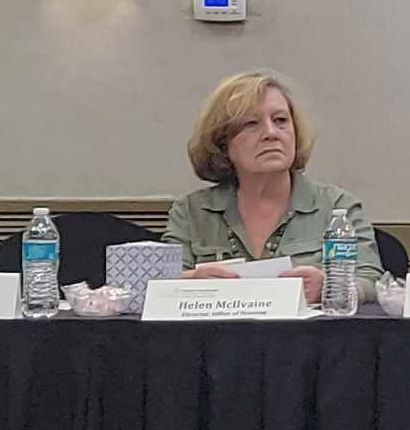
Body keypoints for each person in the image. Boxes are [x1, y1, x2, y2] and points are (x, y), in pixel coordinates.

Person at [163, 70, 383, 302]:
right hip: (214, 337)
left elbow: (372, 281)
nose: (271, 133)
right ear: (222, 143)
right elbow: (160, 287)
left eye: (280, 121)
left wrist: (329, 287)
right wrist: (190, 282)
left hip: (309, 337)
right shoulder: (191, 212)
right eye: (251, 124)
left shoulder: (336, 207)